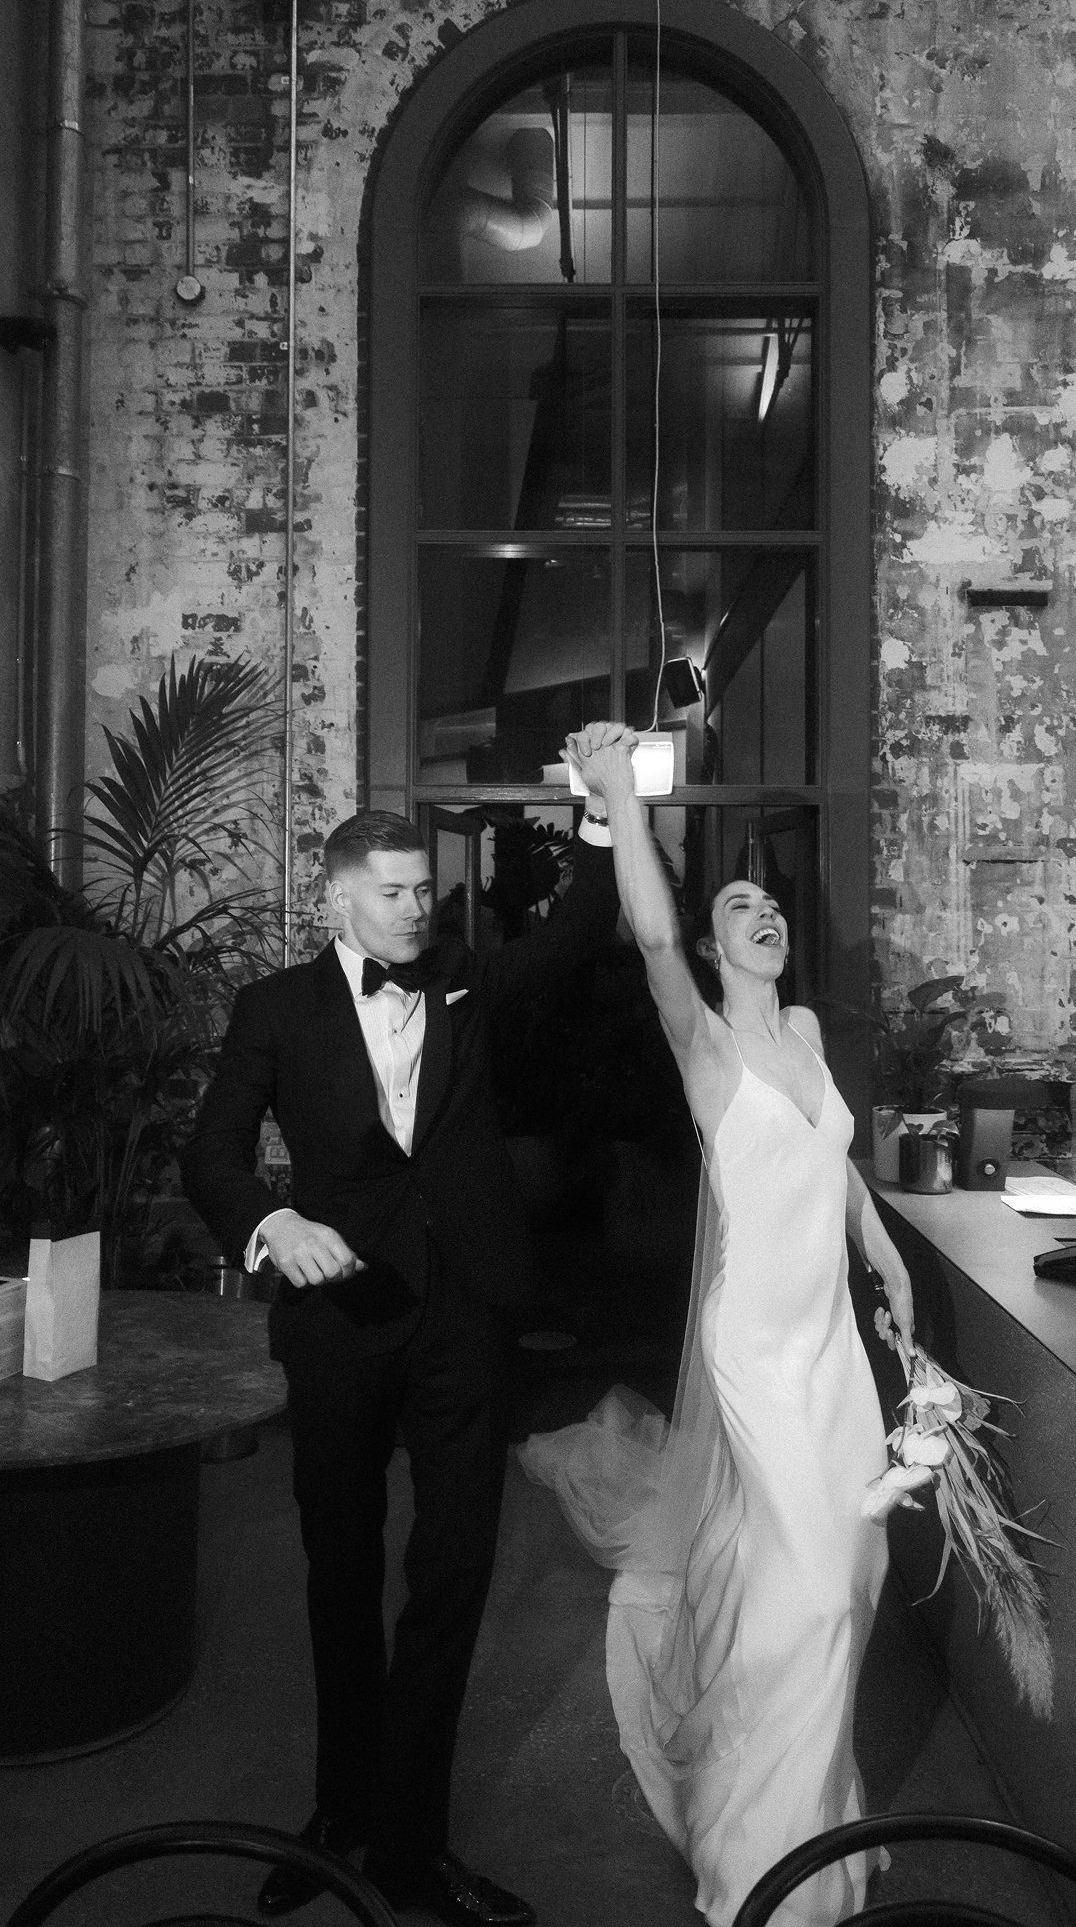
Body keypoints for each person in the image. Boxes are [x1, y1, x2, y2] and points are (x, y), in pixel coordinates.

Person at [180, 728, 629, 1923]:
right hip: (338, 1321)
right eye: (393, 892)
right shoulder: (272, 1006)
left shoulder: (465, 981)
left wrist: (596, 808)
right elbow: (212, 1152)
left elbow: (580, 937)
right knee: (337, 1567)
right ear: (338, 897)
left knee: (454, 1568)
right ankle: (339, 1807)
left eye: (425, 889)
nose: (418, 908)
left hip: (465, 1313)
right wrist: (273, 1224)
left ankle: (413, 1843)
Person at [520, 727, 917, 1927]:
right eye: (739, 903)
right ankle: (757, 1862)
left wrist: (884, 1250)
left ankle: (824, 1828)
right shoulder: (706, 1046)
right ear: (709, 942)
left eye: (772, 905)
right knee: (806, 1588)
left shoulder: (800, 1038)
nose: (764, 914)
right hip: (751, 1344)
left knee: (856, 1571)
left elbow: (835, 1166)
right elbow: (646, 930)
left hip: (831, 1346)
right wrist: (621, 809)